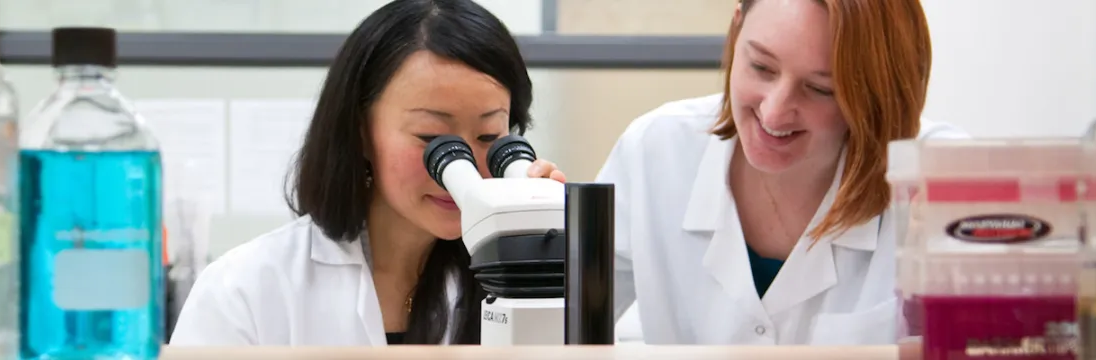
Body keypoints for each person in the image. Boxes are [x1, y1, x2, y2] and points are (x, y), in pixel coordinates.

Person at [168, 0, 565, 346]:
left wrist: (554, 253)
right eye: (431, 137)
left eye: (488, 136)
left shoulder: (508, 279)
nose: (460, 168)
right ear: (361, 132)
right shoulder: (246, 289)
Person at [599, 0, 969, 345]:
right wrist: (543, 212)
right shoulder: (657, 150)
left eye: (819, 89)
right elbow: (560, 323)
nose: (774, 114)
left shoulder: (937, 172)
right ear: (736, 29)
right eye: (761, 67)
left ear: (873, 94)